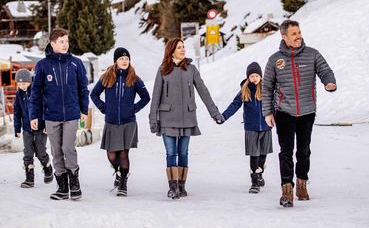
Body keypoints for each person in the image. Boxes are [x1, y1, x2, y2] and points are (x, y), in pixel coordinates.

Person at [263, 20, 337, 207]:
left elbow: (325, 70)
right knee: (286, 151)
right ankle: (287, 189)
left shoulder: (312, 54)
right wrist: (268, 112)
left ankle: (302, 183)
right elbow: (267, 87)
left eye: (299, 32)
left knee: (303, 150)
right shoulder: (275, 60)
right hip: (284, 112)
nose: (298, 36)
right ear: (284, 36)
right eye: (294, 33)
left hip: (306, 111)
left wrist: (329, 82)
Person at [149, 37, 224, 200]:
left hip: (187, 118)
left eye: (183, 47)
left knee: (183, 152)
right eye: (179, 47)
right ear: (171, 51)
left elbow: (203, 91)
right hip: (167, 117)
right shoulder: (163, 69)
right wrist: (153, 119)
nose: (183, 50)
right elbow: (155, 96)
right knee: (171, 152)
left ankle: (181, 186)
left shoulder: (191, 69)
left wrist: (215, 113)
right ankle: (173, 186)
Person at [29, 28, 89, 200]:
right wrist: (35, 115)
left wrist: (84, 110)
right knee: (56, 150)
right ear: (52, 43)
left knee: (68, 148)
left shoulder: (76, 64)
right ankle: (62, 187)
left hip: (71, 114)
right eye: (61, 41)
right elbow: (36, 93)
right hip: (51, 116)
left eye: (67, 41)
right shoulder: (42, 66)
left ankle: (74, 183)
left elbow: (82, 89)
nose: (65, 45)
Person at [90, 47, 150, 197]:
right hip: (111, 122)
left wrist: (133, 109)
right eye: (121, 59)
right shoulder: (107, 76)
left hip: (128, 122)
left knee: (123, 154)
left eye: (127, 59)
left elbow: (146, 97)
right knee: (112, 155)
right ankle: (118, 172)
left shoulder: (134, 78)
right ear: (116, 61)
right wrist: (104, 108)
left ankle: (123, 182)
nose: (124, 61)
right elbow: (94, 94)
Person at [221, 62, 273, 194]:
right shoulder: (245, 90)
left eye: (256, 75)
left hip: (266, 126)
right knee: (253, 154)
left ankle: (260, 172)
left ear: (261, 76)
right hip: (251, 127)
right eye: (251, 76)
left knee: (262, 154)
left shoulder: (267, 89)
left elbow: (276, 104)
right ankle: (254, 182)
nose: (254, 78)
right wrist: (224, 116)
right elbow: (235, 105)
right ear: (248, 77)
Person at [14, 68, 53, 188]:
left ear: (30, 81)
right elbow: (17, 112)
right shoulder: (19, 94)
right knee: (28, 152)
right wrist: (17, 128)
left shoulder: (37, 92)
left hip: (41, 127)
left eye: (24, 84)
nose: (22, 86)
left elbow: (45, 107)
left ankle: (47, 166)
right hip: (27, 128)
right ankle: (29, 178)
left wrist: (46, 124)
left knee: (40, 151)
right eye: (19, 84)